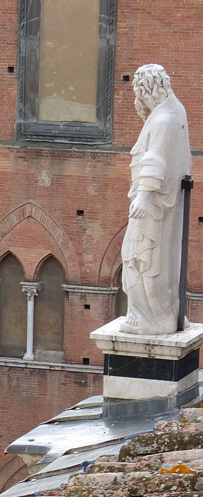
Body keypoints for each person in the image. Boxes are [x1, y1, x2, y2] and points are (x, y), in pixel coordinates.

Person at [120, 63, 192, 335]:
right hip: (165, 202)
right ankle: (165, 313)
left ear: (147, 90)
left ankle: (149, 317)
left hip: (151, 205)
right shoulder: (174, 111)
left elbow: (155, 159)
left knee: (139, 257)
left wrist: (142, 197)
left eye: (139, 93)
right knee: (162, 259)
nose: (138, 101)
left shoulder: (162, 119)